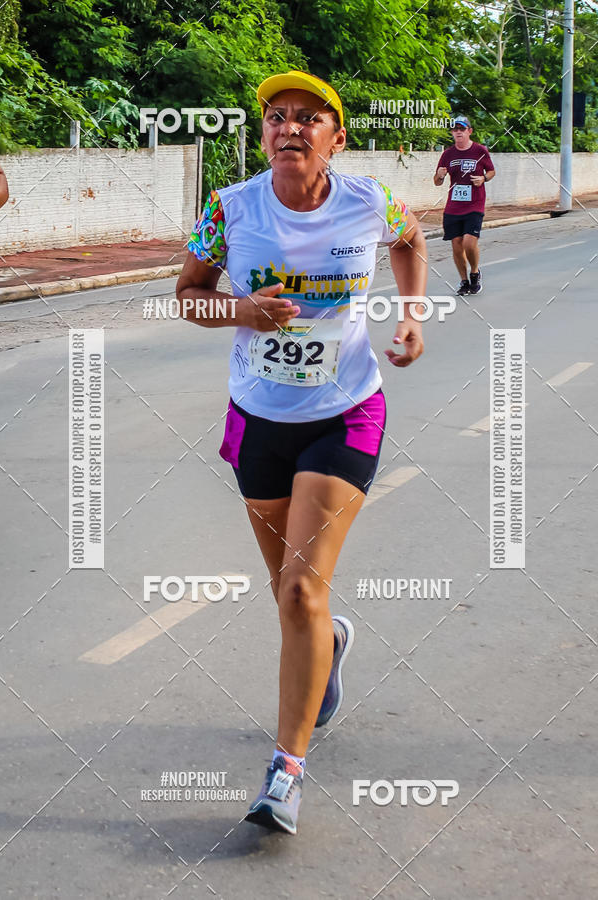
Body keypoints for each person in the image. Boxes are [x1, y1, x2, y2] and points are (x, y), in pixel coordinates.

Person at [176, 70, 427, 835]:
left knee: (297, 593)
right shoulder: (230, 209)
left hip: (345, 411)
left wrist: (413, 314)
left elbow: (413, 239)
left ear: (335, 139)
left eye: (308, 119)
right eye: (275, 118)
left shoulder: (368, 201)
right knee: (288, 593)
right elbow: (187, 293)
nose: (289, 128)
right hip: (259, 418)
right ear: (262, 137)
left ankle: (285, 773)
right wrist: (241, 310)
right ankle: (332, 643)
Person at [434, 115, 495, 296]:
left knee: (469, 242)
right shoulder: (447, 154)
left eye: (462, 129)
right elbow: (437, 182)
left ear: (469, 131)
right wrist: (440, 175)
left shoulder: (480, 151)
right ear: (452, 133)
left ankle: (475, 272)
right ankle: (464, 281)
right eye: (455, 129)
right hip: (453, 206)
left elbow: (491, 171)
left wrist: (483, 178)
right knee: (456, 244)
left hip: (475, 204)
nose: (458, 132)